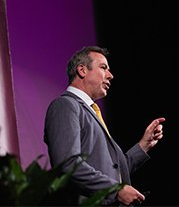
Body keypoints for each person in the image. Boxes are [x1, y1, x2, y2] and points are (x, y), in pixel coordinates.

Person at [44, 46, 165, 206]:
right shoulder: (65, 105)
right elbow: (67, 164)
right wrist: (115, 190)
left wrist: (144, 146)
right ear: (82, 70)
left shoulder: (92, 112)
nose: (111, 75)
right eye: (103, 68)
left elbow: (113, 170)